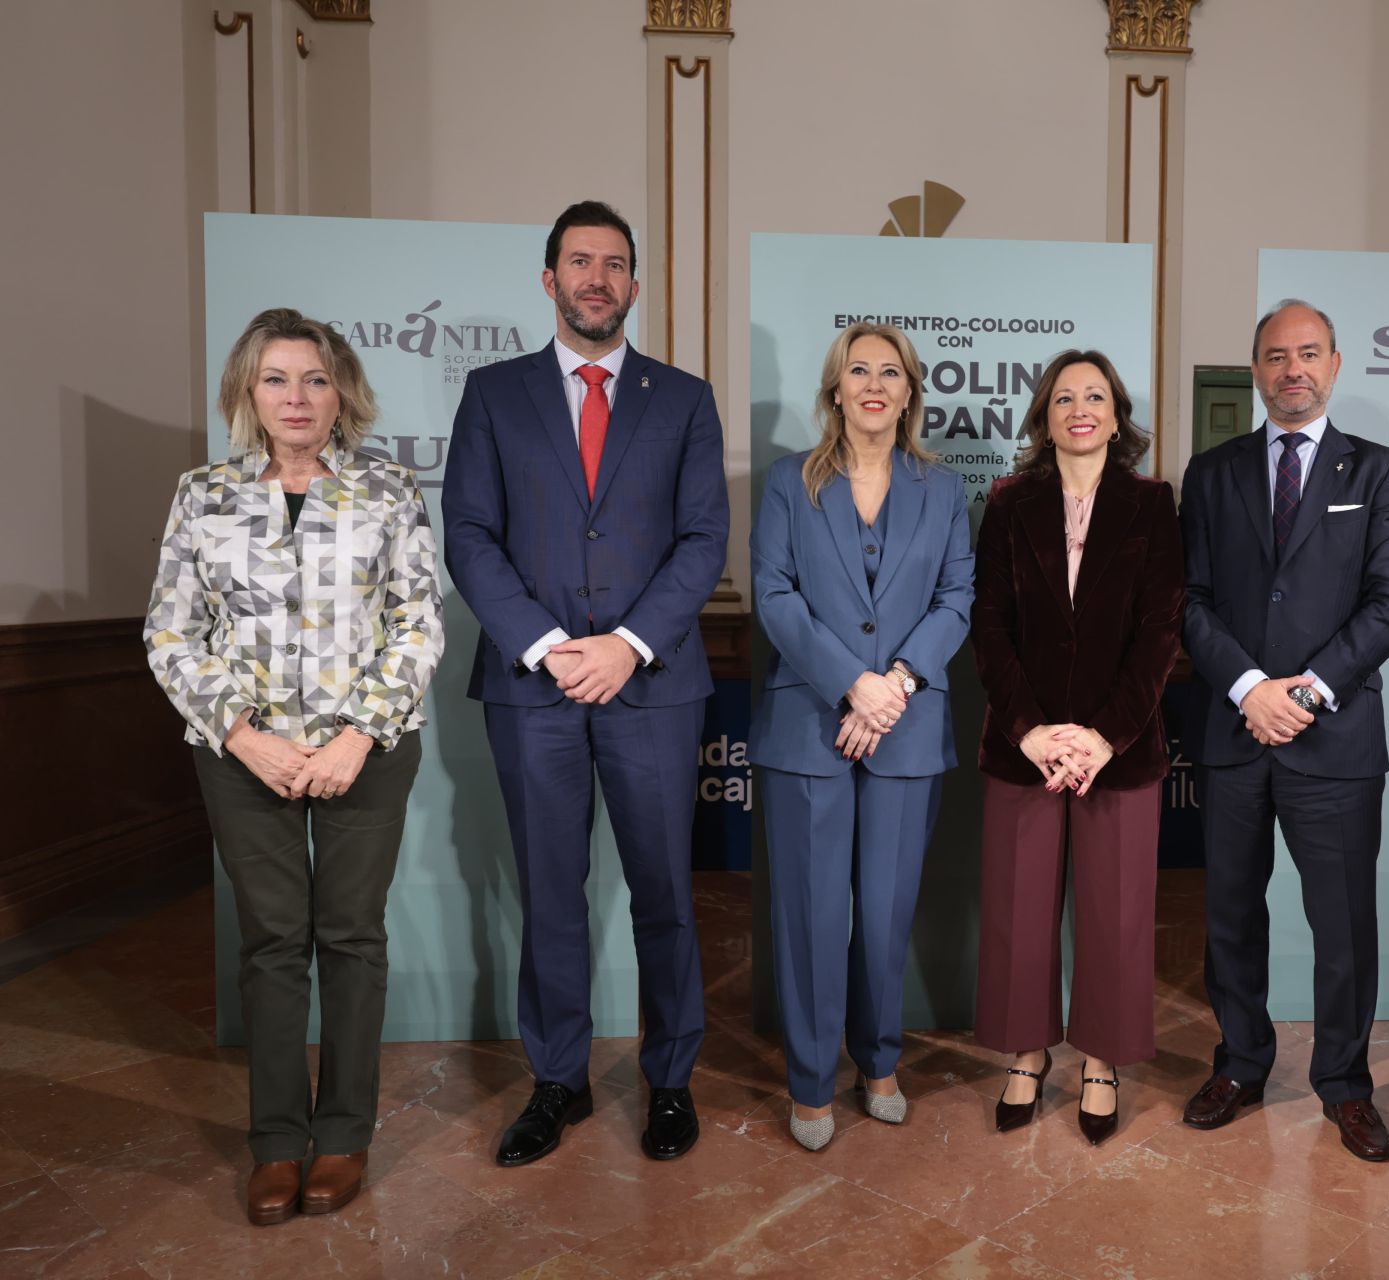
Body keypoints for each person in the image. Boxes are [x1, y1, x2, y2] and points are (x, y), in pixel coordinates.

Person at [441, 200, 727, 1166]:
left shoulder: (683, 399)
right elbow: (469, 535)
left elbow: (704, 539)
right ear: (550, 278)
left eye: (613, 264)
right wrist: (550, 644)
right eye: (579, 261)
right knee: (551, 893)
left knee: (665, 894)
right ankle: (557, 1081)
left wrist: (628, 645)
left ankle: (671, 1079)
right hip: (536, 689)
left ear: (634, 286)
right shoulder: (494, 394)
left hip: (653, 688)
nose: (596, 279)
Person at [145, 307, 444, 1223]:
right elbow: (170, 632)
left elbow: (418, 622)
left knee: (351, 937)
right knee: (273, 943)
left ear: (340, 392)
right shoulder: (202, 494)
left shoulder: (389, 490)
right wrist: (244, 736)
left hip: (368, 752)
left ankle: (344, 1133)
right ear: (248, 392)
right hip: (245, 756)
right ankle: (277, 1143)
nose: (297, 397)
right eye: (276, 379)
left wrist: (357, 735)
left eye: (314, 379)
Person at [1177, 299, 1389, 1162]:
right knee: (1231, 918)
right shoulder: (1212, 473)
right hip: (1235, 731)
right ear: (1255, 370)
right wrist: (1250, 688)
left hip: (1334, 744)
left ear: (1335, 365)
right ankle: (1241, 1064)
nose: (1293, 370)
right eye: (1277, 356)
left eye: (1308, 353)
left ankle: (1346, 1085)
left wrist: (1305, 695)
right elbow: (1189, 601)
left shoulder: (1381, 471)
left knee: (1343, 927)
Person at [747, 322, 974, 1151]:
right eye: (858, 371)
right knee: (810, 916)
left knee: (884, 913)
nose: (874, 385)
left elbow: (957, 597)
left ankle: (879, 1062)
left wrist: (896, 685)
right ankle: (810, 1081)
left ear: (910, 392)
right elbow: (774, 594)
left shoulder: (943, 490)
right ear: (835, 389)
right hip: (808, 725)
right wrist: (853, 683)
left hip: (906, 729)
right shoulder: (788, 483)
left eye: (890, 372)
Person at [969, 350, 1183, 1146]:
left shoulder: (1153, 503)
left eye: (1096, 396)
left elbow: (1160, 631)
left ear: (1117, 416)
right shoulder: (1008, 502)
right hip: (1023, 746)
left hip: (1116, 750)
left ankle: (1101, 1059)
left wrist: (1102, 737)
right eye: (1065, 398)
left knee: (1115, 914)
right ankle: (1027, 1053)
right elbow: (988, 624)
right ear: (1045, 417)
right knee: (1019, 911)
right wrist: (1030, 730)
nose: (1081, 408)